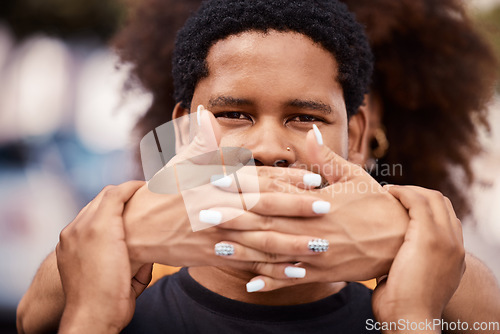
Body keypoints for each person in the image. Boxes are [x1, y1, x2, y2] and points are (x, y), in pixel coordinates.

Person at [16, 0, 500, 333]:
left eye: (304, 117)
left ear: (354, 138)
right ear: (183, 129)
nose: (269, 148)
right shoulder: (112, 293)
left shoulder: (419, 297)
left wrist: (410, 315)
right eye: (234, 114)